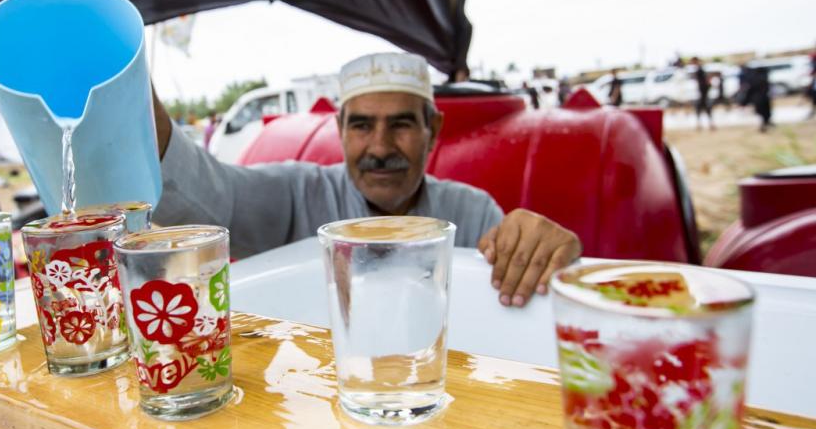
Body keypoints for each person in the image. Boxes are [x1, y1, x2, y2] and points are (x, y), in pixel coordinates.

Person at [151, 53, 582, 308]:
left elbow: (519, 282)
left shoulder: (472, 213)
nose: (379, 147)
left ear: (433, 129)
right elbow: (200, 194)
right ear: (339, 128)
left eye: (401, 125)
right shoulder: (296, 194)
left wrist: (543, 251)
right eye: (361, 126)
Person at [749, 64, 773, 132]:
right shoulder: (764, 78)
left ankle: (764, 125)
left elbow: (751, 90)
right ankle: (764, 125)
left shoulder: (754, 79)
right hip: (764, 98)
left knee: (761, 113)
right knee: (765, 113)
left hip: (758, 99)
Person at [692, 57, 714, 130]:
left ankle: (705, 124)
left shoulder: (700, 70)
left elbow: (706, 81)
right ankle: (708, 124)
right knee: (704, 108)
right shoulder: (701, 69)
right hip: (703, 93)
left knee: (702, 108)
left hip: (703, 92)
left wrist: (705, 89)